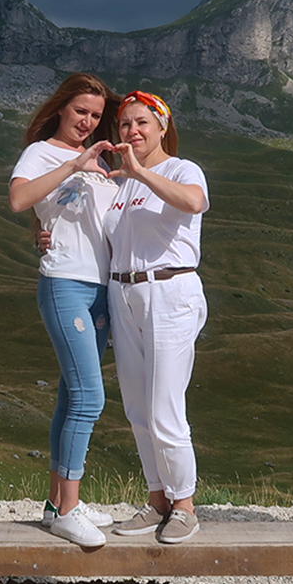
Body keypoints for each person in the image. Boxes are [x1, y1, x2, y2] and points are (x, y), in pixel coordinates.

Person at [8, 72, 122, 547]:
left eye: (96, 116)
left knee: (69, 396)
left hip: (101, 289)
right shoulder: (43, 153)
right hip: (65, 284)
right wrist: (74, 166)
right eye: (80, 112)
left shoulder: (100, 158)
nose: (88, 122)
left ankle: (58, 502)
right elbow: (19, 199)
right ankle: (69, 512)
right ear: (60, 108)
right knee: (89, 398)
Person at [103, 90, 210, 544]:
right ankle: (157, 499)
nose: (133, 131)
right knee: (137, 407)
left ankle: (185, 505)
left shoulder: (181, 169)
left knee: (165, 406)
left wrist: (142, 172)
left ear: (162, 127)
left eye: (142, 123)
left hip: (168, 289)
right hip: (123, 291)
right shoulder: (120, 185)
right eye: (126, 124)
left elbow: (193, 202)